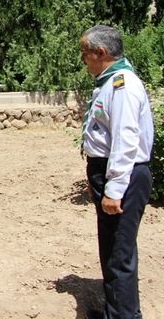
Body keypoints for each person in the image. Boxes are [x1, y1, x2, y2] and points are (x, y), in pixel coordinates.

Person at [80, 25, 153, 319]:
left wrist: (113, 189)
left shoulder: (122, 85)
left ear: (101, 52)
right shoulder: (110, 83)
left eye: (85, 54)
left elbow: (125, 142)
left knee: (118, 255)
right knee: (111, 249)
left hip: (125, 174)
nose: (83, 60)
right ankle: (116, 312)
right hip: (109, 172)